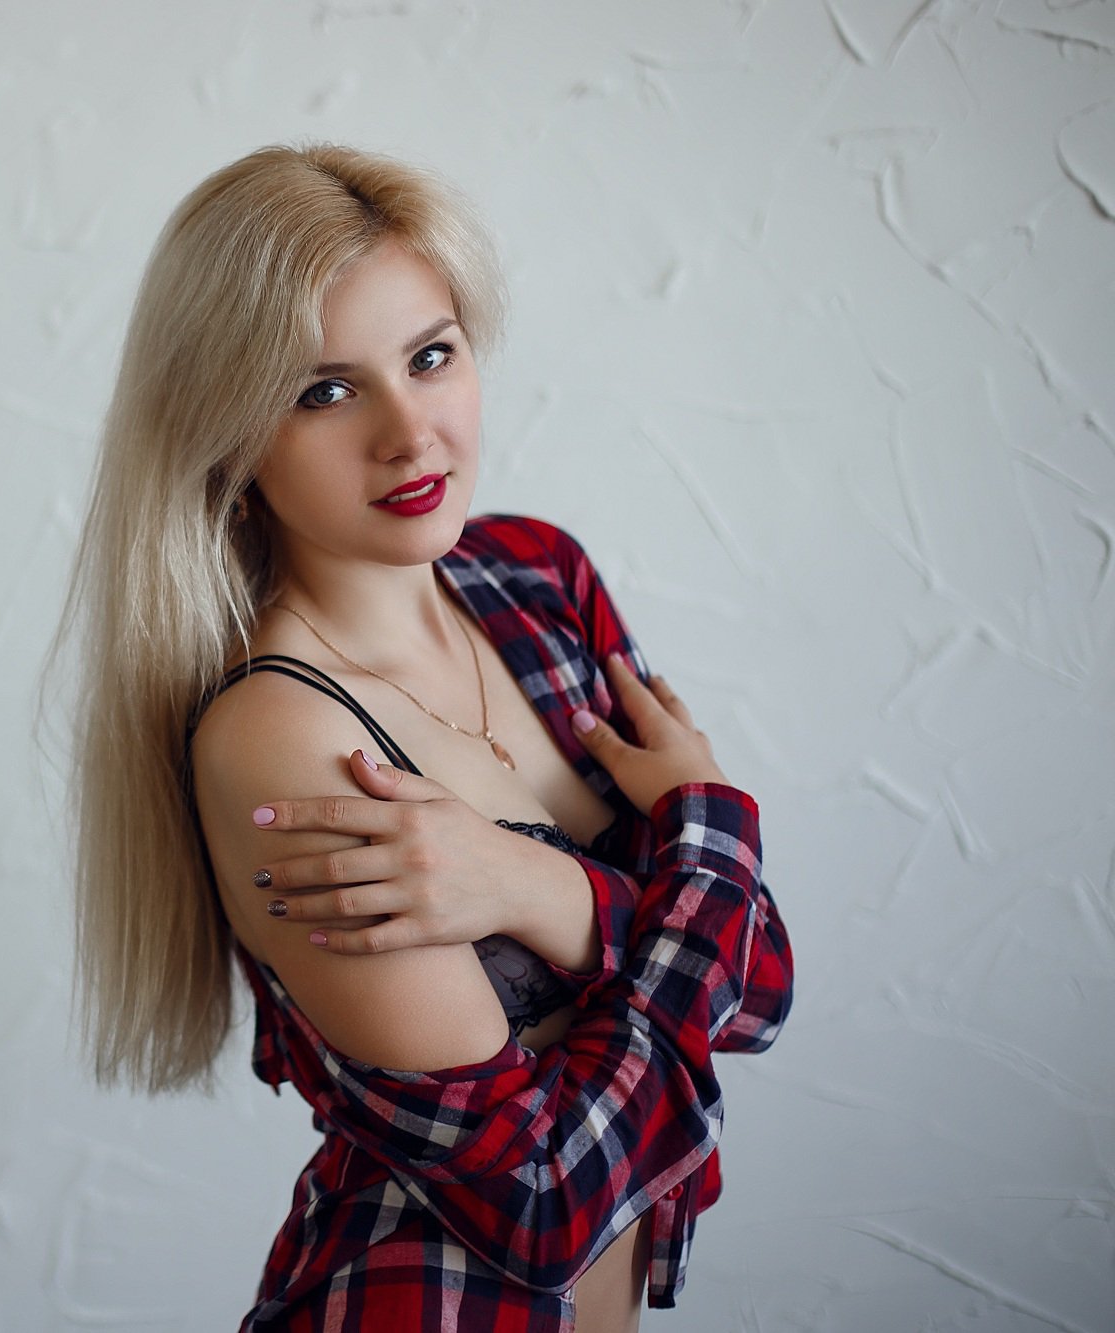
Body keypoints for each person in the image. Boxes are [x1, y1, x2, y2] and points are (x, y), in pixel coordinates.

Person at [58, 143, 793, 1331]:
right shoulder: (283, 739)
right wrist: (703, 833)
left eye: (429, 356)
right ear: (227, 434)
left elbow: (762, 988)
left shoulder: (535, 581)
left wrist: (532, 886)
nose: (409, 434)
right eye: (323, 391)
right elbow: (540, 1203)